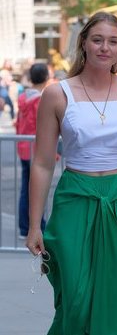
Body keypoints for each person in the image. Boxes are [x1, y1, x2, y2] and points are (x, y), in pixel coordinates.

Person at [26, 12, 117, 335]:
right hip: (76, 200)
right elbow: (43, 163)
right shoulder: (57, 94)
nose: (105, 47)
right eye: (98, 40)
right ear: (84, 43)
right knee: (75, 298)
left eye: (113, 41)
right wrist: (34, 225)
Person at [15, 63, 49, 238]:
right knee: (37, 189)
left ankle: (24, 227)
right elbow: (43, 128)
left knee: (25, 189)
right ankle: (38, 225)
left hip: (23, 148)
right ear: (45, 78)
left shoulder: (22, 98)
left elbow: (18, 124)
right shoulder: (41, 100)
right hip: (36, 151)